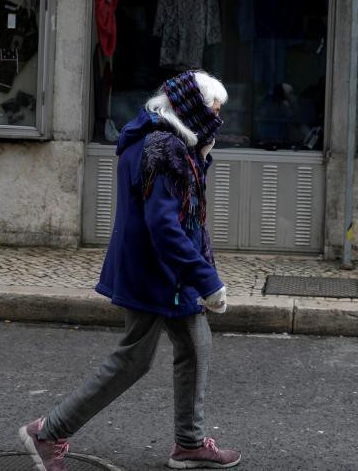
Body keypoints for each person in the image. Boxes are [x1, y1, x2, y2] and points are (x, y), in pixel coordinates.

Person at [19, 70, 241, 470]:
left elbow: (178, 204)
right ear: (191, 106)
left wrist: (201, 156)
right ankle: (48, 431)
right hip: (155, 273)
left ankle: (189, 443)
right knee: (133, 360)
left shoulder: (163, 139)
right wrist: (205, 280)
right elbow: (165, 223)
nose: (217, 116)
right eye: (213, 108)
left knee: (195, 345)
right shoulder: (164, 147)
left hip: (162, 271)